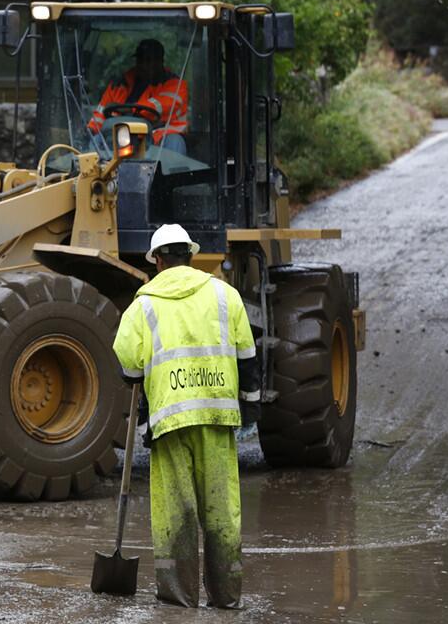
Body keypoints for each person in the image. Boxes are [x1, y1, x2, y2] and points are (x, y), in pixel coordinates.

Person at [112, 223, 261, 608]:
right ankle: (227, 597)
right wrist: (251, 403)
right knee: (221, 509)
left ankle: (180, 598)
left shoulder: (142, 305)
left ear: (158, 261)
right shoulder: (225, 295)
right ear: (190, 256)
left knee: (175, 512)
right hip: (217, 416)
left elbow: (128, 366)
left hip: (170, 422)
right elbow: (247, 356)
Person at [88, 39, 189, 151]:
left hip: (159, 139)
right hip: (119, 138)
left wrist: (130, 110)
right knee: (95, 140)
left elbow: (162, 106)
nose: (144, 65)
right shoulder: (119, 84)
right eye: (140, 60)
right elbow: (101, 112)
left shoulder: (175, 84)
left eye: (149, 60)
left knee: (175, 141)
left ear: (160, 61)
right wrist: (91, 129)